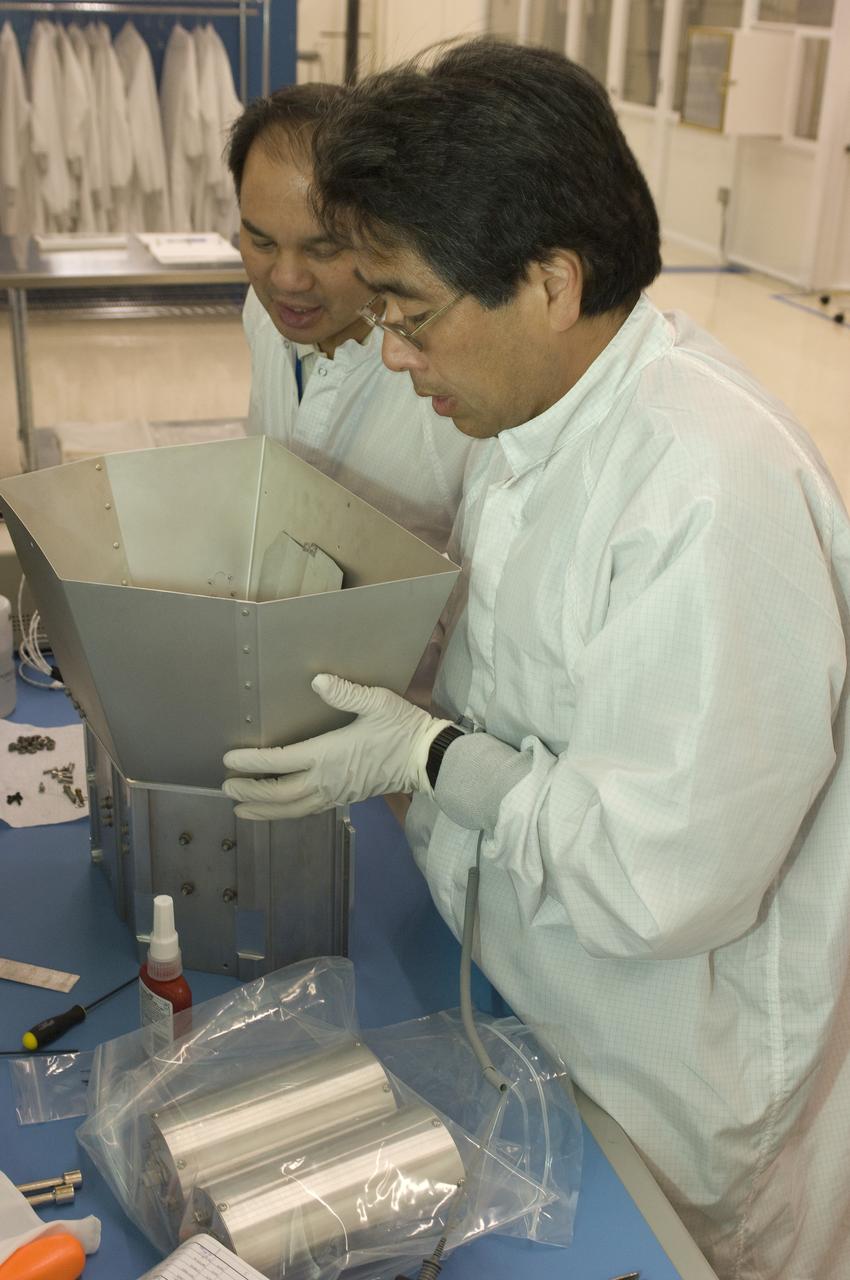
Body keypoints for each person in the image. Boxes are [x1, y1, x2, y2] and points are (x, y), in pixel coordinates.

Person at [222, 40, 850, 1280]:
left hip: (664, 1096)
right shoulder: (534, 420)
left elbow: (659, 883)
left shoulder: (705, 492)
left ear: (551, 282)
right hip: (525, 1005)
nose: (392, 354)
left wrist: (432, 758)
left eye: (411, 315)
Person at [225, 83, 474, 551]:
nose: (286, 279)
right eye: (261, 242)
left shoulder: (453, 381)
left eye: (323, 250)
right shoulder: (262, 313)